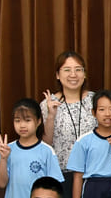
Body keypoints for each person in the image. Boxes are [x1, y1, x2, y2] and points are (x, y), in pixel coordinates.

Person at [0, 98, 62, 198]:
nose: (22, 125)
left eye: (27, 120)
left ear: (38, 121)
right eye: (17, 121)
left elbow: (55, 186)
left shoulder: (46, 151)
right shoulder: (7, 150)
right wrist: (3, 159)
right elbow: (1, 183)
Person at [41, 50, 96, 186]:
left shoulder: (95, 100)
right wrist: (51, 115)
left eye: (78, 69)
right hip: (60, 174)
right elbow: (45, 145)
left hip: (93, 172)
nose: (73, 75)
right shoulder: (48, 103)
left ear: (84, 74)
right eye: (67, 70)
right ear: (57, 75)